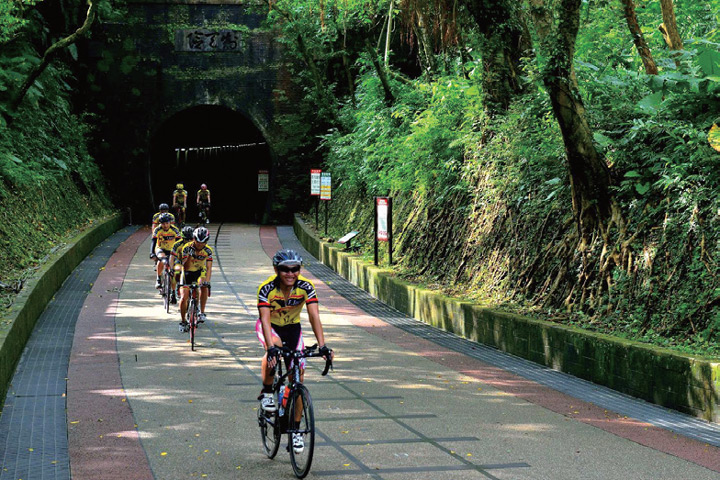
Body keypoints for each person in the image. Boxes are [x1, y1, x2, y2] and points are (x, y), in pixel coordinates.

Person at [256, 249, 333, 453]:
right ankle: (266, 392)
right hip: (270, 327)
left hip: (293, 329)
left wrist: (323, 345)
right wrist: (271, 348)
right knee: (274, 348)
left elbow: (314, 316)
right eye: (285, 270)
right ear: (276, 270)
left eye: (295, 269)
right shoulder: (266, 289)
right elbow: (264, 318)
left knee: (298, 376)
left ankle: (296, 431)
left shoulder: (306, 287)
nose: (290, 274)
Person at [179, 226, 213, 330]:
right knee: (184, 297)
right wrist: (190, 255)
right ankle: (183, 321)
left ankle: (202, 312)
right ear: (193, 239)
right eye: (197, 242)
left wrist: (207, 281)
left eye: (203, 242)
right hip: (187, 272)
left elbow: (209, 268)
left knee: (204, 286)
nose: (200, 245)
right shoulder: (186, 248)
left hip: (200, 271)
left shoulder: (208, 250)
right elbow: (185, 266)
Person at [150, 213, 181, 289]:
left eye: (167, 223)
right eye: (163, 223)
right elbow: (153, 241)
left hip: (171, 249)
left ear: (170, 222)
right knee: (161, 260)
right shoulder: (157, 230)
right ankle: (158, 278)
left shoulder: (175, 230)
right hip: (161, 248)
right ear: (160, 223)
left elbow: (179, 243)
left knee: (174, 267)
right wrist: (151, 253)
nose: (165, 225)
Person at [168, 225, 194, 304]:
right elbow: (172, 257)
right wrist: (171, 268)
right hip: (179, 261)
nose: (189, 241)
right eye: (186, 239)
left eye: (191, 239)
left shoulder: (195, 245)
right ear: (182, 238)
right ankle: (173, 292)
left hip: (191, 262)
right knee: (176, 272)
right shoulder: (177, 244)